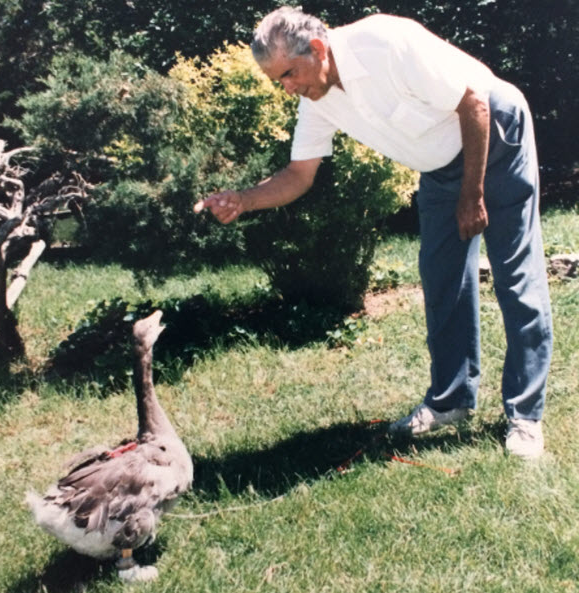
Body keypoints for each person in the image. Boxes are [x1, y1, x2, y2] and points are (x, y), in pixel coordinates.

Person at [197, 7, 553, 459]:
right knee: (442, 280)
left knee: (515, 277)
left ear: (319, 49)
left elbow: (474, 104)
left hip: (495, 135)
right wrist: (244, 199)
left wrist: (473, 193)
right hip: (440, 168)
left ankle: (525, 416)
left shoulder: (386, 43)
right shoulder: (317, 97)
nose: (287, 88)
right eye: (278, 81)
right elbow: (298, 174)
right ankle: (451, 401)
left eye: (289, 73)